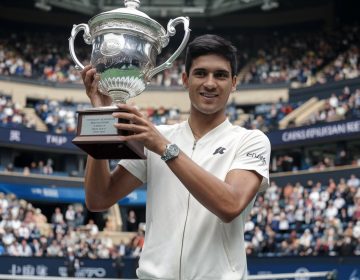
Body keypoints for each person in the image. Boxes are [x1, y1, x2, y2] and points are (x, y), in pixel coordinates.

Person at [81, 34, 271, 279]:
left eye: (220, 75)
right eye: (201, 73)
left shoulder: (249, 140)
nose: (210, 83)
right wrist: (102, 116)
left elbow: (230, 205)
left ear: (234, 83)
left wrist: (165, 149)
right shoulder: (157, 137)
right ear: (185, 79)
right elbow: (98, 199)